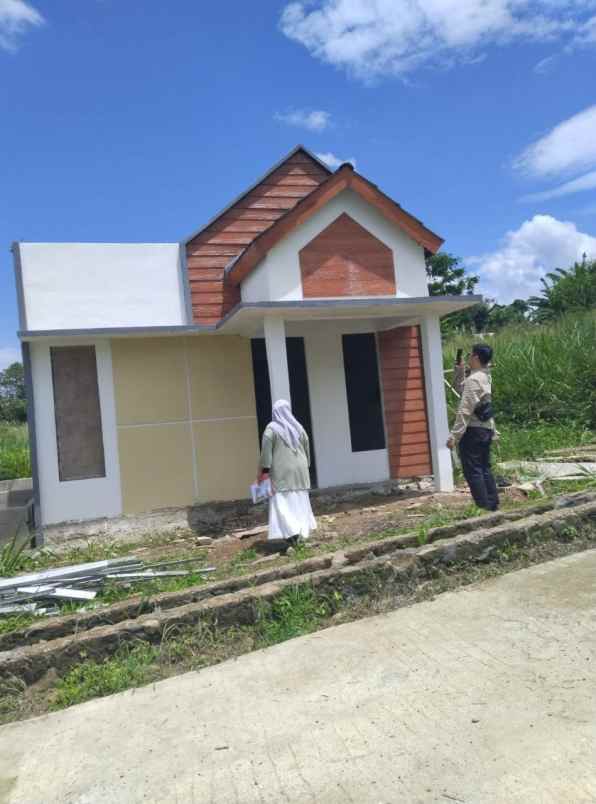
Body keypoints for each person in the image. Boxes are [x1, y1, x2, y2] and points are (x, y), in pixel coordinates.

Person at [446, 344, 499, 511]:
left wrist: (454, 436)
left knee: (473, 470)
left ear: (476, 357)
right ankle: (492, 504)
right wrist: (460, 371)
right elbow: (461, 389)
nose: (468, 357)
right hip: (485, 429)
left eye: (470, 354)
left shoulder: (474, 379)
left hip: (473, 431)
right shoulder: (484, 376)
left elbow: (465, 409)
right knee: (484, 467)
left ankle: (483, 507)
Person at [257, 399, 317, 546]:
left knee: (282, 503)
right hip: (300, 471)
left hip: (282, 473)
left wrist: (265, 471)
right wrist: (306, 466)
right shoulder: (299, 428)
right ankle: (301, 532)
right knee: (299, 501)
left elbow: (266, 453)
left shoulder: (271, 429)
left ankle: (292, 535)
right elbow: (307, 450)